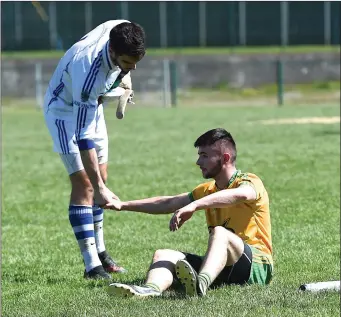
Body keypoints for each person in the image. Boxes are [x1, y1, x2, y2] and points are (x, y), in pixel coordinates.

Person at [106, 128, 273, 297]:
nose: (198, 162)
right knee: (163, 255)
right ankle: (151, 290)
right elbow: (169, 202)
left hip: (256, 266)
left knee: (220, 233)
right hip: (224, 268)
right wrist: (122, 205)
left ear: (225, 158)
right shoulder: (207, 190)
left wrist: (195, 205)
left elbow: (242, 194)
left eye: (205, 156)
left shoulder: (249, 181)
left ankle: (200, 284)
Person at [43, 20, 146, 279]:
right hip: (64, 110)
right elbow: (83, 137)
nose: (131, 68)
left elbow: (124, 47)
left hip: (92, 106)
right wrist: (99, 188)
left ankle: (101, 252)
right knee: (87, 185)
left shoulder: (121, 29)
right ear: (112, 50)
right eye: (126, 62)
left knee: (103, 176)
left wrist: (125, 75)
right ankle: (92, 266)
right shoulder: (88, 73)